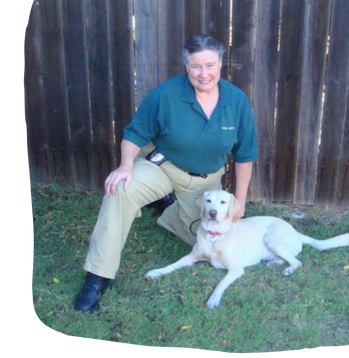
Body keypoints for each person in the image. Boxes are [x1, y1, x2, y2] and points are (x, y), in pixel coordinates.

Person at [74, 34, 260, 312]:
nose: (204, 73)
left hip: (204, 183)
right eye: (196, 66)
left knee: (204, 239)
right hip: (162, 166)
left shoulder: (236, 101)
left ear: (221, 64)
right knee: (121, 191)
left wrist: (240, 201)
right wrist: (125, 167)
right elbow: (134, 133)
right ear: (186, 66)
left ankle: (166, 210)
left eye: (210, 65)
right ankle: (98, 276)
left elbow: (245, 155)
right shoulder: (167, 94)